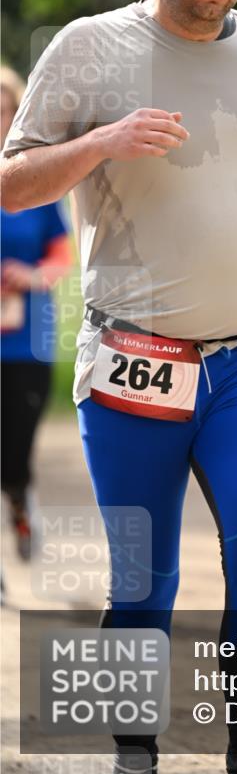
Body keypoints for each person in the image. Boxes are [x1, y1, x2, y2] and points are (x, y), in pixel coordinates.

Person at [0, 0, 237, 774]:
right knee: (142, 580)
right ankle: (133, 753)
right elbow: (10, 178)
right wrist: (101, 141)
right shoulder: (88, 46)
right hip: (134, 355)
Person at [1, 65, 72, 561]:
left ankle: (21, 501)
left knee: (15, 447)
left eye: (3, 111)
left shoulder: (36, 178)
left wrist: (33, 277)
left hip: (28, 339)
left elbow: (62, 255)